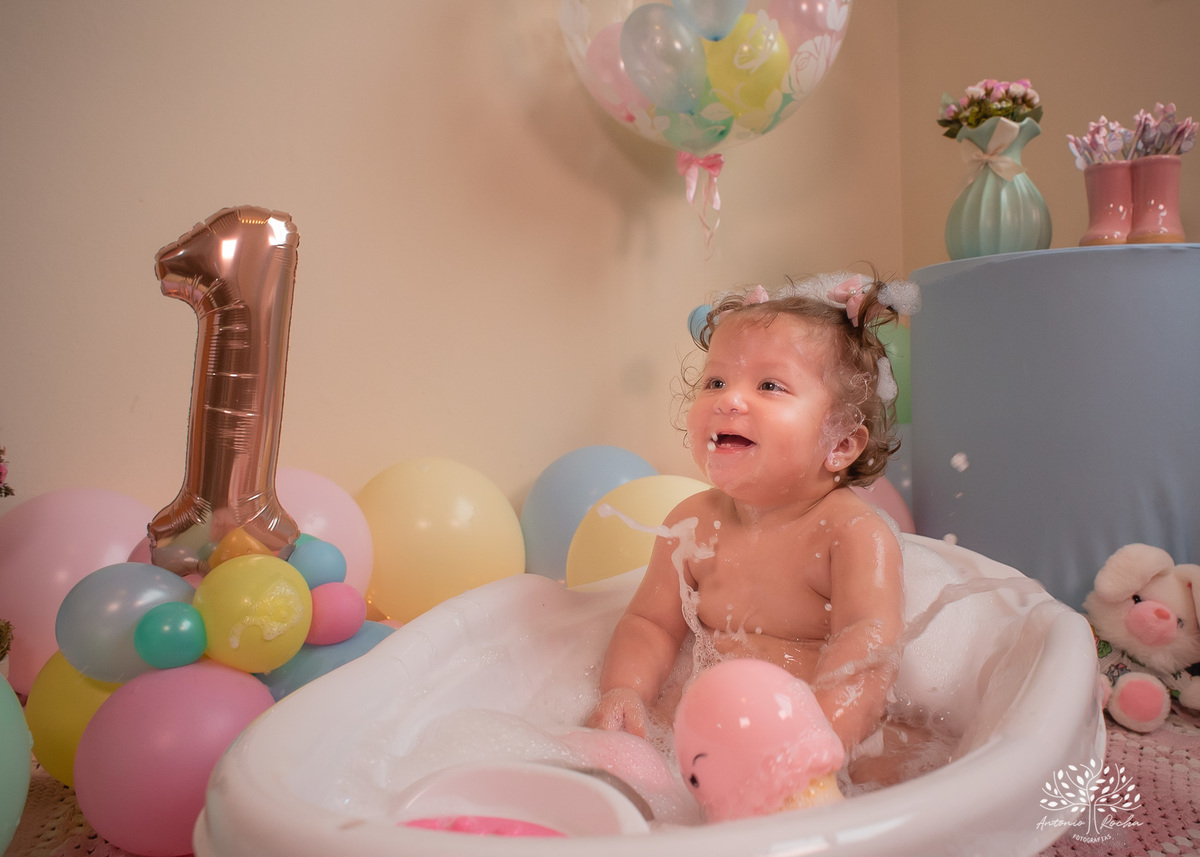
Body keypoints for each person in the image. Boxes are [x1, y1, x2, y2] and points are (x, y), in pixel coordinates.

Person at [586, 273, 919, 761]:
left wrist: (814, 749)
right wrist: (625, 692)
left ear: (841, 443)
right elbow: (650, 625)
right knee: (621, 767)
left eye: (770, 385)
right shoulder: (693, 524)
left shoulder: (851, 535)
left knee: (898, 764)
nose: (729, 399)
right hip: (710, 733)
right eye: (716, 380)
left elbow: (867, 659)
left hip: (817, 733)